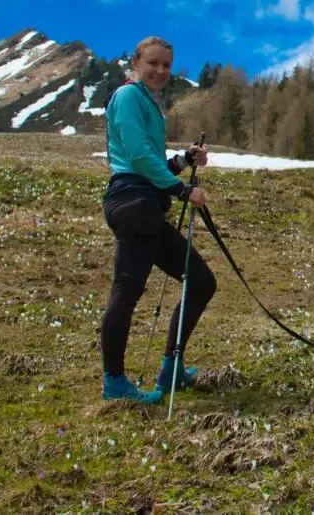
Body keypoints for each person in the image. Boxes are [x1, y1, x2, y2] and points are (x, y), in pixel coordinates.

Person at [99, 36, 218, 404]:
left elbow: (152, 164)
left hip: (145, 206)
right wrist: (182, 191)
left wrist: (183, 160)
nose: (161, 70)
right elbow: (136, 157)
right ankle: (115, 383)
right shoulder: (128, 97)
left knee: (200, 281)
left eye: (167, 65)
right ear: (136, 63)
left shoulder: (148, 105)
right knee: (127, 291)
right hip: (134, 204)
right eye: (153, 63)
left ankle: (171, 369)